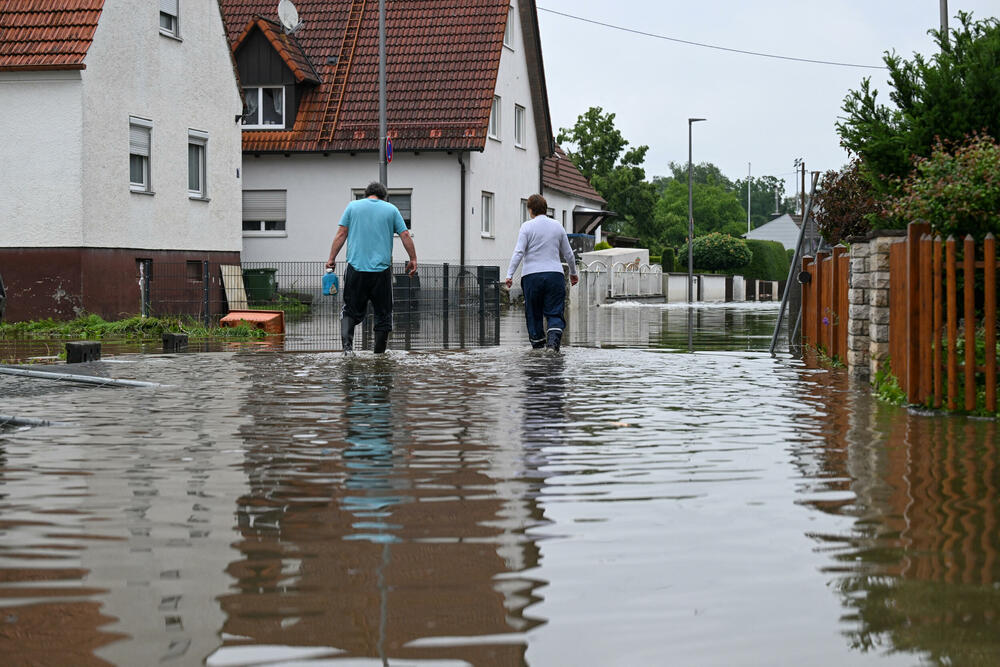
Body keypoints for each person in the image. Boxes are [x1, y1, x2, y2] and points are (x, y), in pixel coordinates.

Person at [326, 182, 417, 353]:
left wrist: (331, 258)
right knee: (383, 314)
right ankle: (379, 355)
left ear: (366, 194)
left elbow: (341, 234)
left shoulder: (352, 207)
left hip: (356, 269)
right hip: (381, 272)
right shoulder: (391, 209)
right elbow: (405, 234)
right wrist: (413, 258)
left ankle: (347, 350)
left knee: (350, 311)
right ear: (384, 196)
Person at [505, 194, 578, 351]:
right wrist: (573, 272)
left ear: (530, 210)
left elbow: (518, 252)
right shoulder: (558, 226)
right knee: (555, 313)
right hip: (555, 275)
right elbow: (569, 254)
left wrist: (509, 275)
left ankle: (538, 349)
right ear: (546, 209)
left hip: (531, 277)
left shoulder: (526, 227)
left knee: (534, 314)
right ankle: (552, 345)